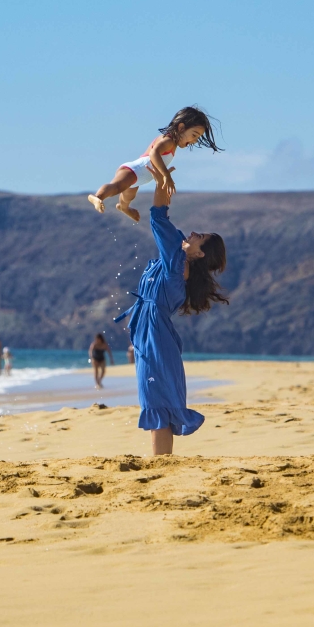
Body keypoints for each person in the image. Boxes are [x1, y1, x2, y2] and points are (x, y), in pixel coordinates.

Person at [114, 174, 227, 455]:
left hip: (156, 337)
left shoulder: (178, 264)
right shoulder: (178, 254)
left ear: (199, 254)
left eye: (199, 238)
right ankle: (162, 462)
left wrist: (160, 177)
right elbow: (162, 215)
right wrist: (161, 177)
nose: (193, 234)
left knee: (155, 399)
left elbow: (158, 220)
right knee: (156, 398)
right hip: (152, 333)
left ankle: (160, 464)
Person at [87, 106, 221, 223]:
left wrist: (164, 180)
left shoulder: (172, 144)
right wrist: (166, 175)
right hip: (133, 170)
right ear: (181, 128)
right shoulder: (168, 140)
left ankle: (123, 207)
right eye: (194, 135)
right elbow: (153, 154)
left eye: (197, 137)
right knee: (117, 187)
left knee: (129, 196)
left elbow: (158, 162)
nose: (195, 141)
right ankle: (97, 197)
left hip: (139, 177)